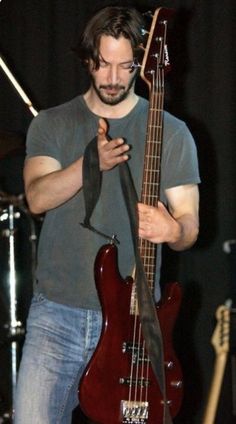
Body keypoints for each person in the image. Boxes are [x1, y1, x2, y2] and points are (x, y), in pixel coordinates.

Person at [14, 5, 200, 424]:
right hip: (56, 318)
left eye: (125, 66)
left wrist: (174, 227)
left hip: (134, 326)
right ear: (87, 60)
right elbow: (38, 198)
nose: (114, 78)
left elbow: (190, 227)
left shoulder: (172, 133)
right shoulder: (52, 124)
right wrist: (89, 164)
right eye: (102, 65)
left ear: (141, 61)